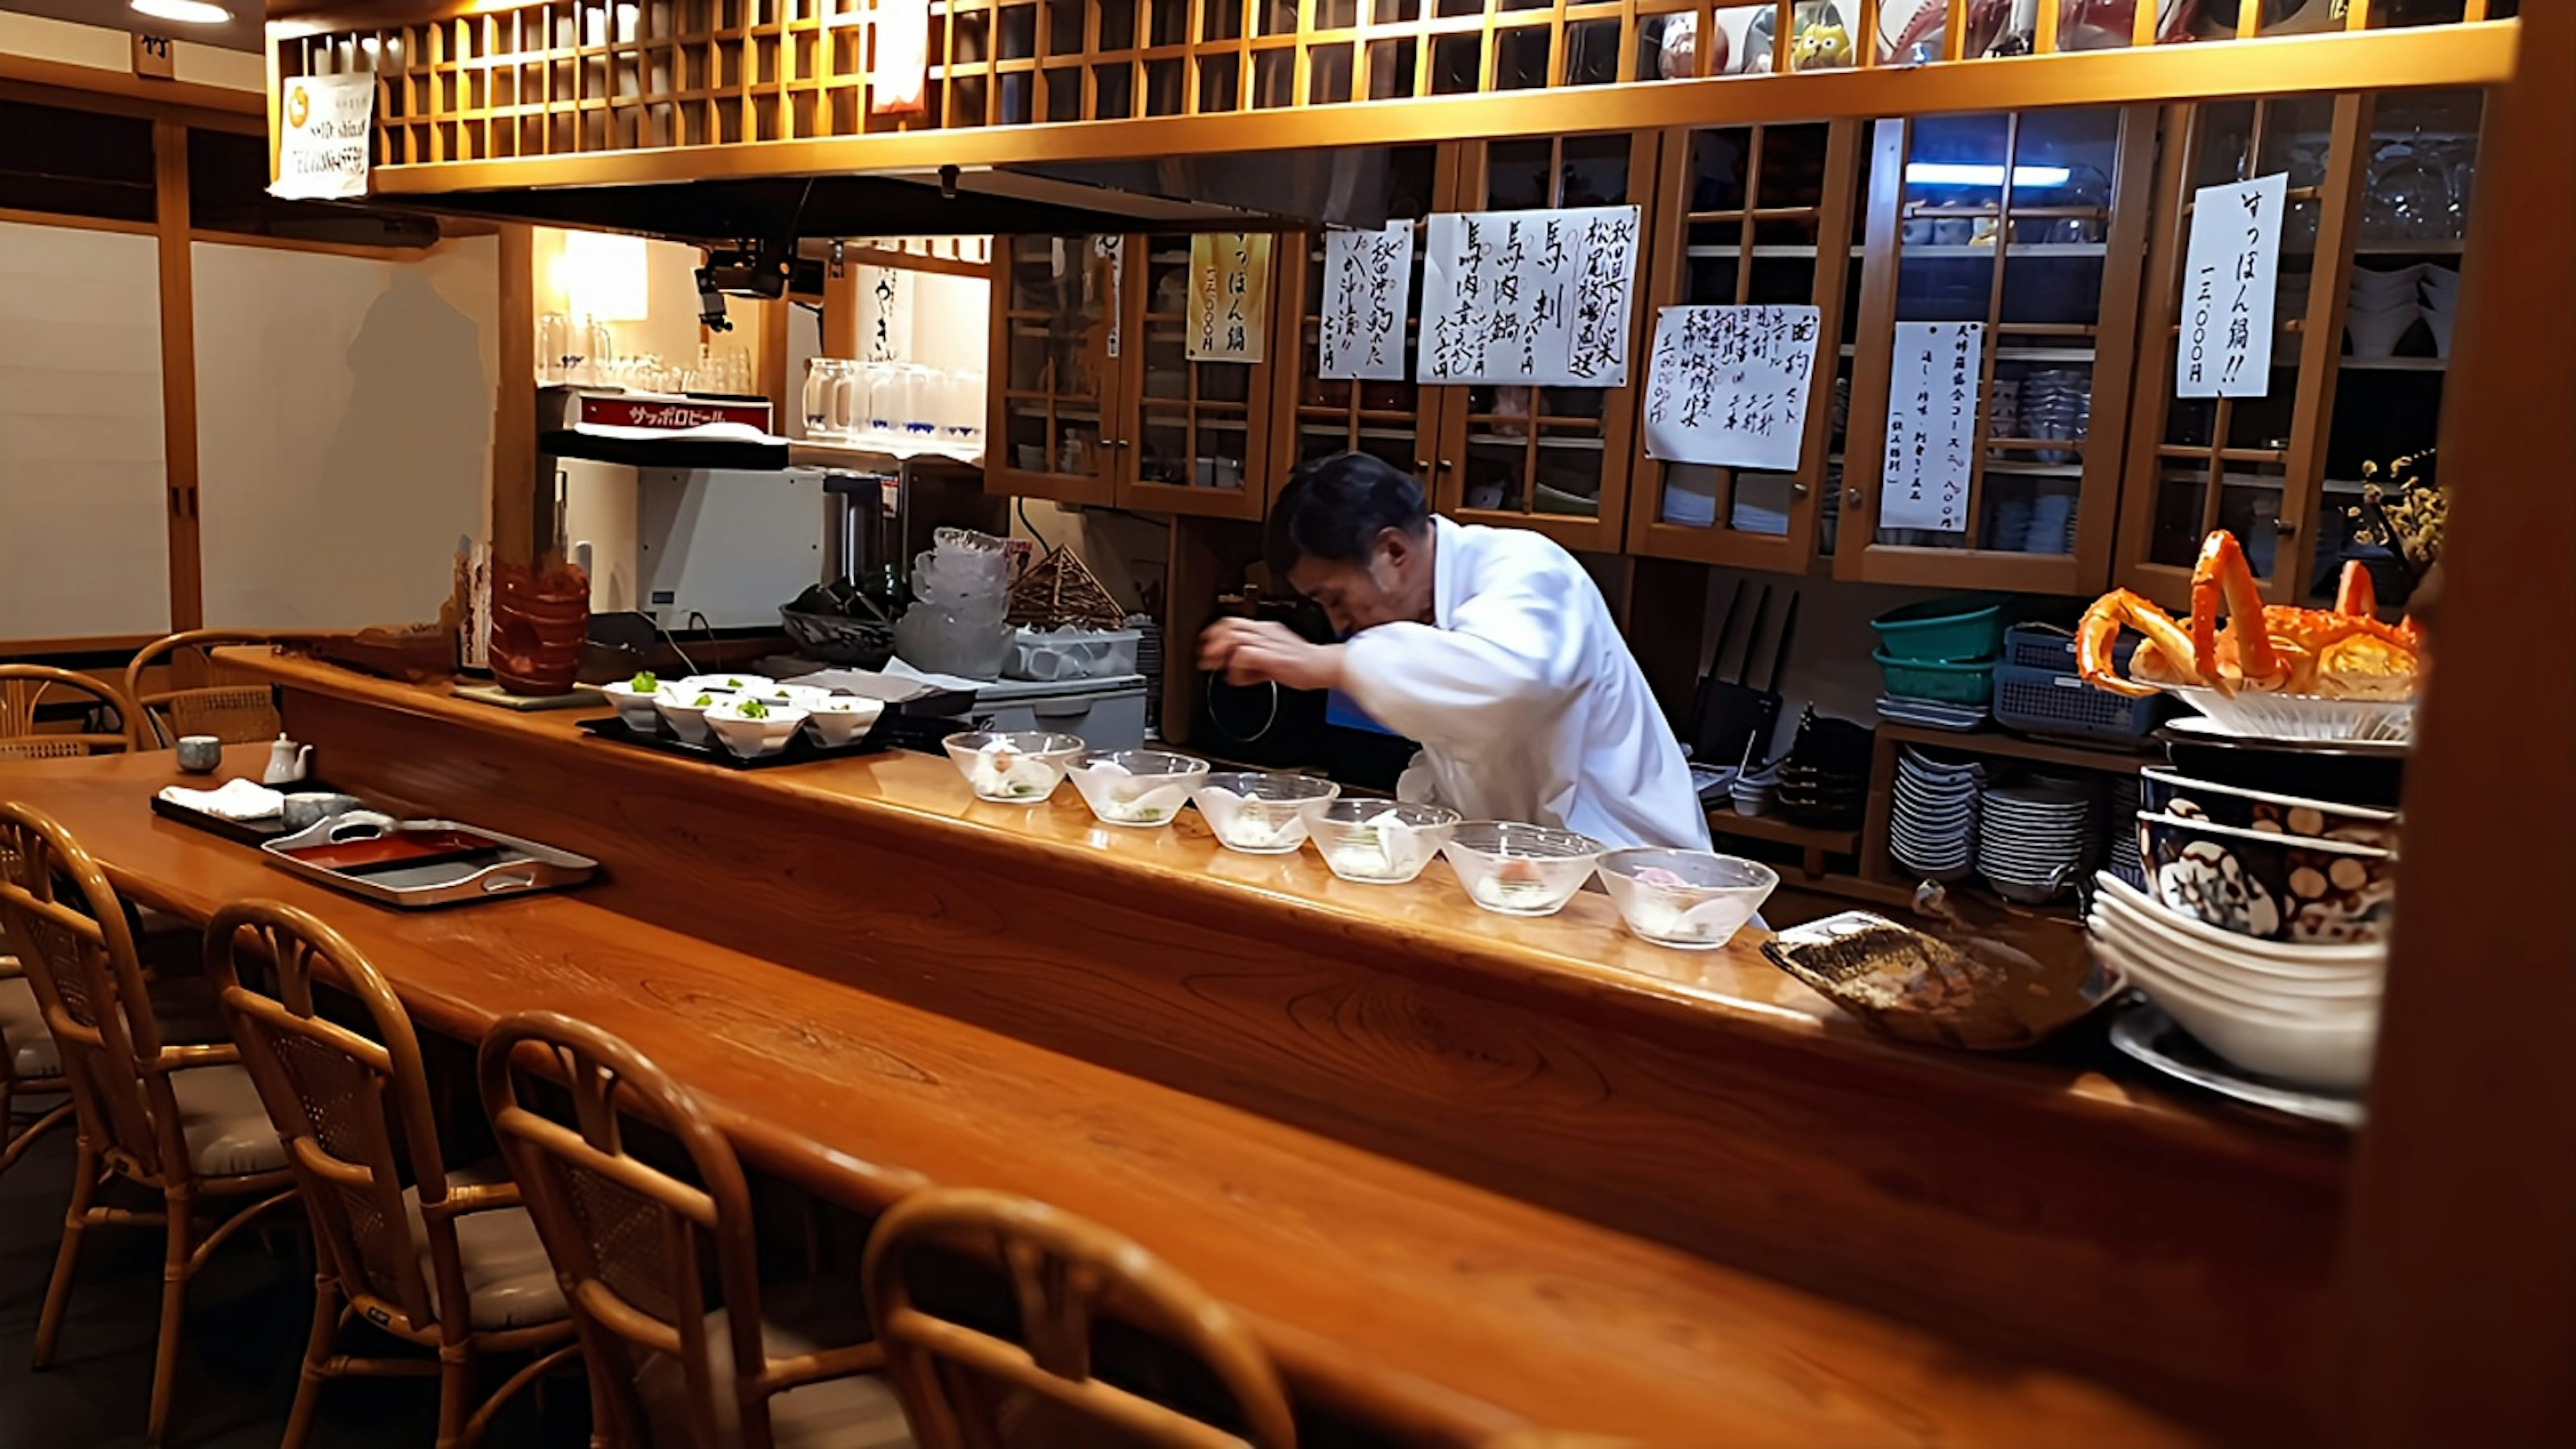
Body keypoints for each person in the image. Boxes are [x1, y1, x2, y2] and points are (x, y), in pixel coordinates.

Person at [1197, 452, 1711, 852]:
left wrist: (1326, 665)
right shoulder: (1424, 620)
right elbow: (1460, 758)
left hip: (1640, 879)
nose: (1338, 624)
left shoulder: (1525, 566)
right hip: (1529, 875)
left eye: (1335, 598)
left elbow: (1513, 682)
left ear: (1393, 551)